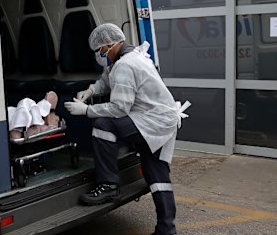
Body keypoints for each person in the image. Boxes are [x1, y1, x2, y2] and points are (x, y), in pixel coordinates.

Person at [64, 23, 190, 235]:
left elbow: (119, 109)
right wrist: (91, 90)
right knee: (157, 177)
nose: (98, 55)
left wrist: (87, 110)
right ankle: (167, 231)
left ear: (110, 44)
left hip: (153, 122)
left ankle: (108, 185)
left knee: (103, 124)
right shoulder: (126, 57)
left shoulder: (125, 64)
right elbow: (107, 81)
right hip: (159, 121)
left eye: (99, 50)